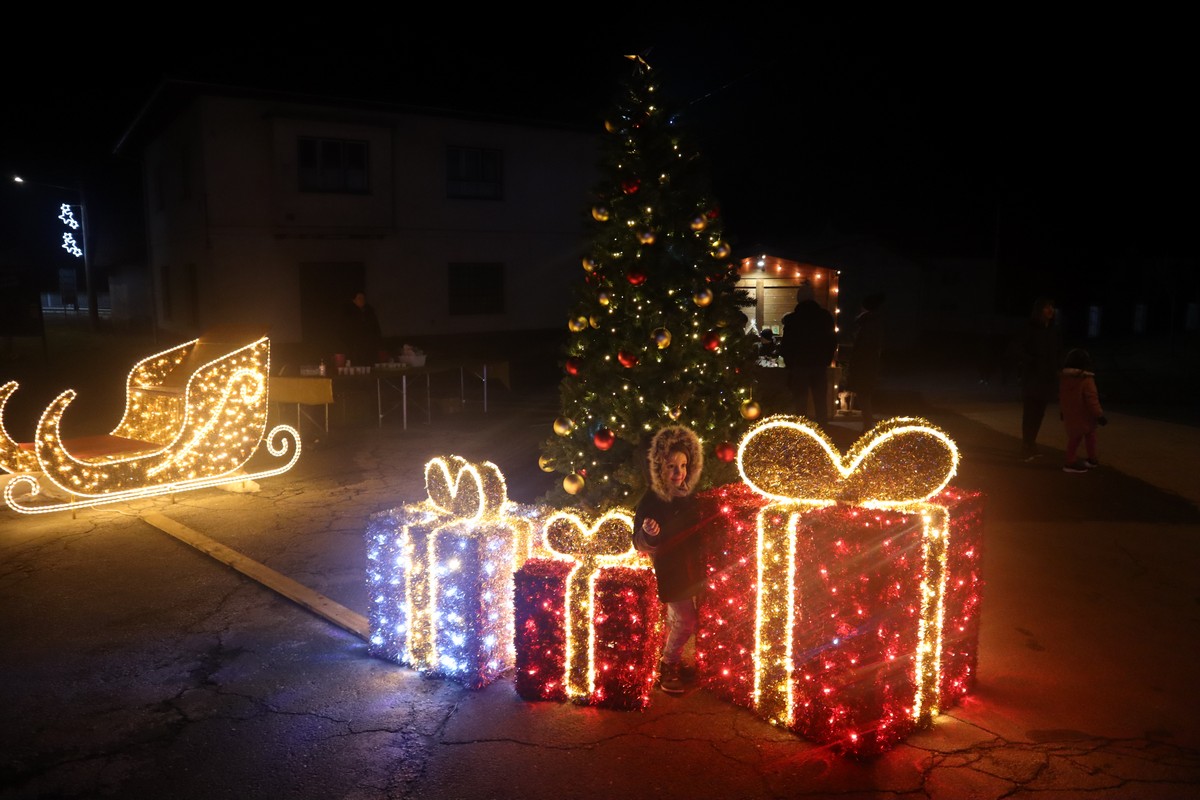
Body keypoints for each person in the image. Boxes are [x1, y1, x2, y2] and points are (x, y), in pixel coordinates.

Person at [632, 425, 707, 695]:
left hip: (695, 568)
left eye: (684, 465)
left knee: (688, 620)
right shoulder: (652, 501)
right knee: (685, 621)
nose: (679, 473)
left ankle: (678, 660)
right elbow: (639, 540)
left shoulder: (689, 496)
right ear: (657, 469)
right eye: (672, 467)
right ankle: (669, 663)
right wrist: (649, 534)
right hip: (674, 570)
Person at [778, 283, 838, 426]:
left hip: (799, 365)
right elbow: (832, 341)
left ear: (799, 299)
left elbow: (787, 344)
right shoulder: (825, 316)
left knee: (800, 402)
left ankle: (802, 431)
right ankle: (823, 430)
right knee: (820, 401)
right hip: (819, 364)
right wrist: (826, 360)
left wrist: (789, 363)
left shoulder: (793, 319)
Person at [1016, 296, 1063, 461]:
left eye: (1052, 306)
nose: (1050, 310)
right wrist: (1032, 362)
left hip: (1046, 378)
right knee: (1030, 412)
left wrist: (1056, 369)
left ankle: (1031, 443)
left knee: (1039, 413)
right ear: (1039, 310)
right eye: (1046, 307)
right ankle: (1025, 445)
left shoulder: (1052, 330)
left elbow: (1056, 353)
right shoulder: (1030, 328)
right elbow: (1018, 350)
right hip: (1032, 377)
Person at [1059, 348, 1108, 473]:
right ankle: (1076, 461)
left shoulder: (1065, 378)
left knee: (1075, 436)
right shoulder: (1086, 379)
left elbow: (1063, 397)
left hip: (1071, 414)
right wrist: (1099, 415)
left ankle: (1074, 460)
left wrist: (1063, 412)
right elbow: (1092, 400)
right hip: (1085, 416)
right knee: (1089, 435)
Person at [846, 292, 886, 428]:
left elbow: (863, 348)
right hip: (867, 366)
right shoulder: (874, 323)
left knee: (864, 397)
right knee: (864, 397)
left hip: (864, 367)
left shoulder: (868, 324)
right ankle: (868, 425)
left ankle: (868, 427)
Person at [340, 290, 382, 366]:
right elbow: (346, 329)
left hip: (369, 345)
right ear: (354, 300)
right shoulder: (349, 312)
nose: (362, 300)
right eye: (359, 298)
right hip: (355, 345)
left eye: (363, 298)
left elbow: (375, 327)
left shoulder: (369, 311)